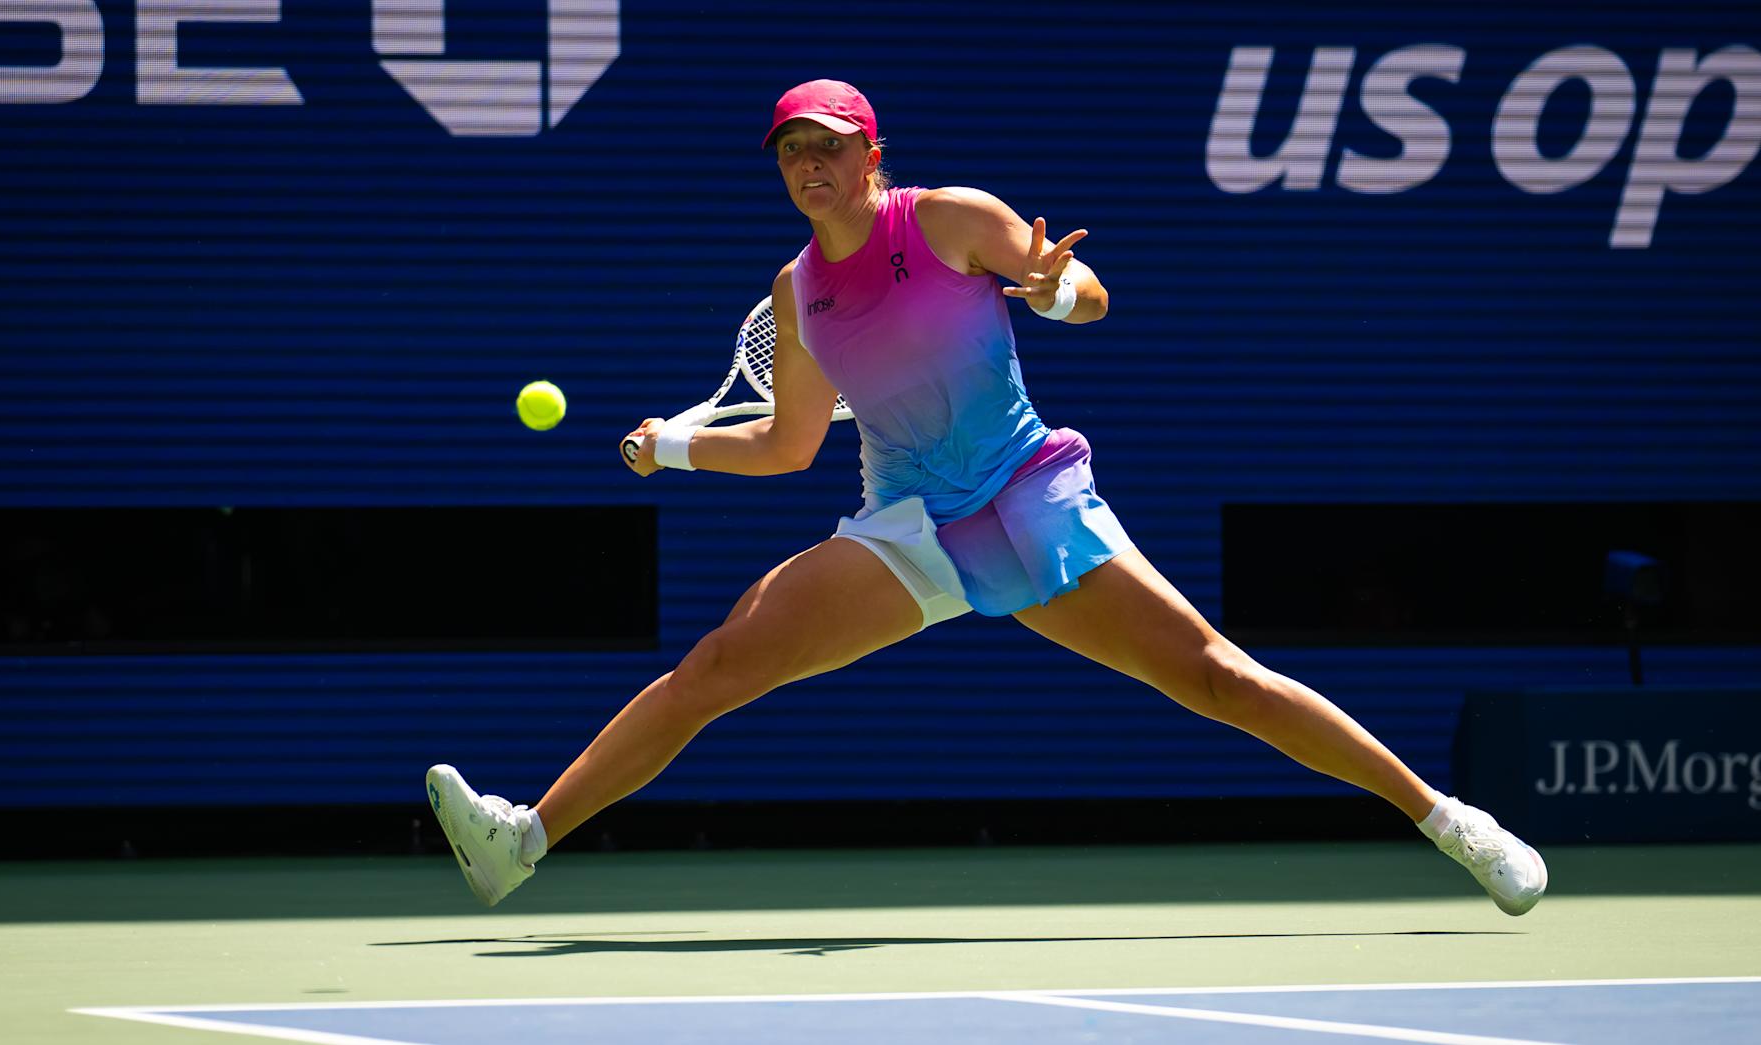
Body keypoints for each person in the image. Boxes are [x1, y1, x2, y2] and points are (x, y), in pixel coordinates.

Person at [425, 79, 1548, 915]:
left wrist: (1060, 290)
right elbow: (786, 445)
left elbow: (1081, 293)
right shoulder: (799, 290)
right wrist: (672, 453)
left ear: (874, 154)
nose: (811, 168)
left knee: (1218, 678)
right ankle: (519, 841)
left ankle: (1450, 823)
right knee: (718, 665)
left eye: (831, 148)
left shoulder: (951, 218)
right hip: (908, 525)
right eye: (792, 154)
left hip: (1025, 491)